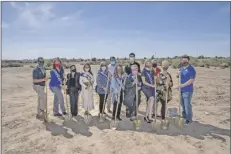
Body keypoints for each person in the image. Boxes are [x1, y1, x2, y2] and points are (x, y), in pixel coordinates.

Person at [177, 55, 196, 124]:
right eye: (183, 60)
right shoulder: (181, 68)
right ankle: (184, 117)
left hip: (187, 90)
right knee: (182, 104)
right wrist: (178, 74)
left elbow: (192, 80)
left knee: (187, 105)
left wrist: (182, 85)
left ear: (188, 60)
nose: (184, 61)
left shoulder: (191, 69)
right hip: (181, 90)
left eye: (186, 60)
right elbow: (179, 76)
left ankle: (189, 119)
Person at [141, 59, 155, 123]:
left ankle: (146, 116)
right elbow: (143, 82)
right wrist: (151, 85)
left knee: (150, 102)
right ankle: (149, 117)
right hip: (146, 87)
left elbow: (153, 79)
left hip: (152, 88)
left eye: (150, 63)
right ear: (145, 63)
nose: (149, 64)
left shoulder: (152, 71)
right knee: (151, 99)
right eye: (147, 63)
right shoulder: (143, 71)